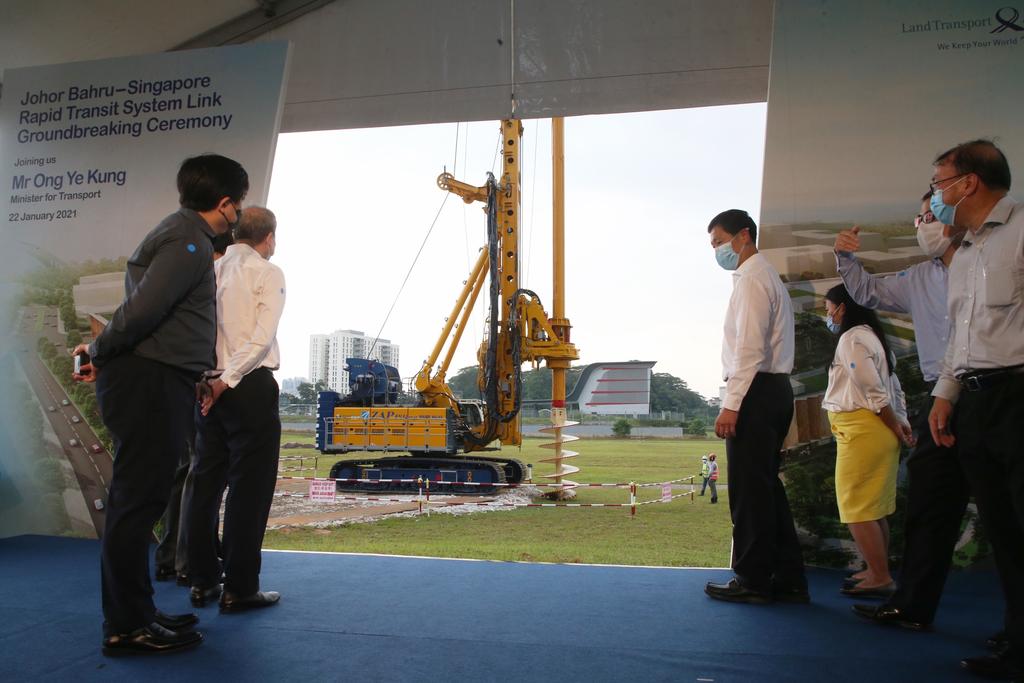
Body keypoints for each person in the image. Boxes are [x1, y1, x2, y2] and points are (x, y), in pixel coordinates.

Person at [71, 154, 248, 655]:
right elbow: (141, 312)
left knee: (141, 500)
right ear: (226, 203)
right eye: (239, 204)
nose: (239, 214)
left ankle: (138, 611)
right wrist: (98, 351)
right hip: (148, 383)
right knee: (136, 503)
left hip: (160, 380)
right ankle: (126, 626)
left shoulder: (181, 235)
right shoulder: (186, 241)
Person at [834, 196, 977, 630]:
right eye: (922, 217)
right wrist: (844, 257)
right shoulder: (918, 277)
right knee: (929, 506)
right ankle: (912, 606)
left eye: (934, 215)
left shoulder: (985, 265)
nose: (925, 224)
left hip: (993, 390)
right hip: (942, 395)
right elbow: (866, 291)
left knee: (1007, 510)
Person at [926, 140, 1023, 680]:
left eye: (940, 183)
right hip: (978, 402)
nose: (936, 195)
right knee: (1004, 530)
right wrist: (946, 394)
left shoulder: (1022, 231)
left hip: (1019, 397)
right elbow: (960, 336)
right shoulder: (964, 252)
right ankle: (1018, 637)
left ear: (968, 183)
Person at [703, 209, 807, 605]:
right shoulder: (765, 276)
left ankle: (753, 578)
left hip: (755, 393)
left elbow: (749, 350)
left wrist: (731, 405)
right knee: (766, 489)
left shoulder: (751, 280)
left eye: (719, 242)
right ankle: (788, 577)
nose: (717, 251)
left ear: (743, 236)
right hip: (773, 390)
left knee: (749, 492)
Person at [187, 207, 285, 612]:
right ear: (269, 238)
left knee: (205, 485)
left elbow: (194, 330)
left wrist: (208, 380)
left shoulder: (209, 270)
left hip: (207, 386)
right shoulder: (267, 272)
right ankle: (240, 588)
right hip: (245, 385)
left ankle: (203, 581)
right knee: (250, 490)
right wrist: (229, 379)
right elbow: (262, 339)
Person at [822, 284, 913, 598]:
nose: (828, 314)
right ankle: (876, 569)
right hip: (874, 430)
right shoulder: (874, 338)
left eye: (828, 307)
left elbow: (874, 390)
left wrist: (894, 423)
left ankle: (880, 576)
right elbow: (894, 389)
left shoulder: (853, 339)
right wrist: (900, 422)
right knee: (872, 509)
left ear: (843, 307)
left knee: (857, 508)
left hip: (864, 430)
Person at [155, 229, 235, 585]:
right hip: (198, 383)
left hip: (175, 383)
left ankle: (172, 556)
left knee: (184, 470)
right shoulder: (210, 284)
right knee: (199, 473)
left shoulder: (182, 280)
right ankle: (188, 560)